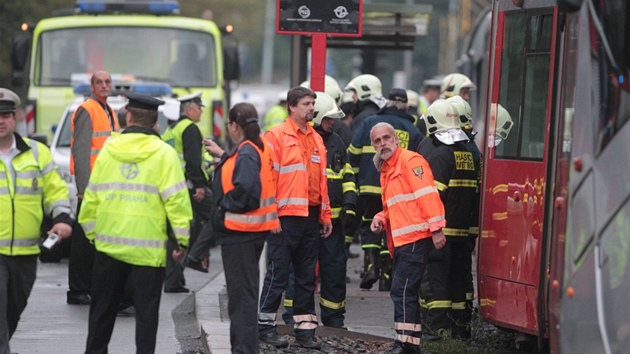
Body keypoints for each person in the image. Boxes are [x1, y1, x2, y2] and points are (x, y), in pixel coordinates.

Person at [79, 93, 192, 354]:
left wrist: (95, 236)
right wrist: (181, 242)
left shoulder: (108, 149)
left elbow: (91, 198)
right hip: (148, 251)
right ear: (155, 121)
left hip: (108, 247)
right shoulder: (165, 154)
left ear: (128, 117)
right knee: (147, 315)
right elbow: (177, 202)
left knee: (101, 313)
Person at [258, 86, 332, 350]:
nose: (311, 108)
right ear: (291, 107)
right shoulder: (276, 136)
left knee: (305, 277)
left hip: (310, 217)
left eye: (312, 103)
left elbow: (321, 181)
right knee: (278, 275)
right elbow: (266, 180)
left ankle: (305, 331)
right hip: (284, 218)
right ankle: (265, 326)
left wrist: (325, 215)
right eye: (306, 104)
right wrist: (271, 216)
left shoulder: (316, 138)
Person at [0, 88, 73, 354]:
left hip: (27, 252)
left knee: (13, 310)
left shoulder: (37, 152)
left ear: (16, 117)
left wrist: (63, 218)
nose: (1, 121)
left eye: (6, 115)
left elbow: (55, 191)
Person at [203, 102, 280, 354]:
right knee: (243, 297)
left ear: (235, 125)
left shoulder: (247, 151)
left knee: (242, 300)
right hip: (251, 232)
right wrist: (224, 155)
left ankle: (244, 350)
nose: (228, 128)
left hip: (240, 233)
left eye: (228, 124)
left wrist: (222, 204)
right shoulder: (255, 146)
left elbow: (247, 190)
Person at [369, 122, 446, 354]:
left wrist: (436, 228)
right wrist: (381, 218)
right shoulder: (388, 168)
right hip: (404, 240)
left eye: (386, 138)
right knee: (406, 291)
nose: (383, 143)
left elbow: (428, 195)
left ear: (396, 140)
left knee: (402, 290)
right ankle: (409, 344)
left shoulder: (410, 162)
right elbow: (398, 205)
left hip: (414, 238)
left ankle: (405, 343)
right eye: (377, 141)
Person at [282, 92, 357, 328]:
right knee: (301, 271)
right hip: (306, 219)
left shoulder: (336, 142)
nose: (332, 122)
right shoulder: (306, 140)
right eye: (329, 118)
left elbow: (346, 175)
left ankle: (334, 319)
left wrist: (350, 202)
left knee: (334, 270)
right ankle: (294, 315)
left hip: (332, 223)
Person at [348, 88, 423, 291]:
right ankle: (387, 274)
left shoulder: (369, 123)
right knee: (390, 226)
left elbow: (352, 153)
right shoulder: (413, 130)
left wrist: (356, 180)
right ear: (406, 106)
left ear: (387, 103)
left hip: (368, 186)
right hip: (396, 189)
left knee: (369, 224)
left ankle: (371, 266)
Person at [416, 100, 479, 340]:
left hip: (440, 233)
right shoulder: (471, 152)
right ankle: (460, 332)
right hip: (463, 233)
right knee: (460, 284)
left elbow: (433, 196)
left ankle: (434, 333)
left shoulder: (440, 154)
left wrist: (431, 227)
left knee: (435, 283)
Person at [68, 70, 120, 305]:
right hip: (90, 188)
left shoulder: (108, 110)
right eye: (99, 82)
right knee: (82, 240)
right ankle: (77, 290)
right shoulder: (87, 110)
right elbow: (80, 152)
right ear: (92, 87)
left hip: (104, 186)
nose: (104, 85)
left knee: (92, 238)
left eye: (107, 82)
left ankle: (85, 286)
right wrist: (83, 188)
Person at [162, 92, 212, 287]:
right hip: (189, 186)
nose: (201, 112)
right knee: (219, 215)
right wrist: (199, 185)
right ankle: (196, 256)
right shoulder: (189, 128)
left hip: (173, 186)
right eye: (199, 108)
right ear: (190, 109)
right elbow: (193, 160)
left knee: (177, 229)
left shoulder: (170, 130)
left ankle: (173, 280)